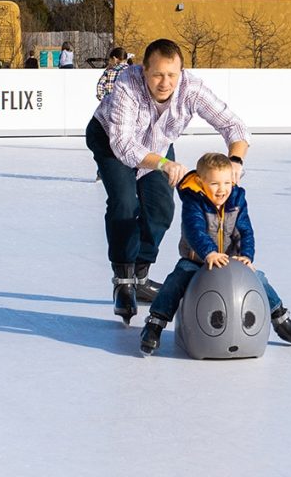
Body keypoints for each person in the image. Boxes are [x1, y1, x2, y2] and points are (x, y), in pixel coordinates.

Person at [85, 38, 250, 323]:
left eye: (172, 75)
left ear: (181, 72)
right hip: (110, 140)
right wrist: (163, 163)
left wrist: (235, 160)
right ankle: (123, 281)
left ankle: (141, 275)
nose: (165, 82)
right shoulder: (127, 83)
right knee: (125, 202)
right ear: (144, 70)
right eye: (158, 74)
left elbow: (233, 125)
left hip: (158, 145)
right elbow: (124, 144)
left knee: (162, 209)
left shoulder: (192, 89)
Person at [139, 152, 291, 355]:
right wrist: (209, 252)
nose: (222, 190)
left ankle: (281, 319)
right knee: (175, 281)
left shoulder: (237, 200)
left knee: (259, 278)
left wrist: (246, 255)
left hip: (230, 262)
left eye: (227, 183)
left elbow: (245, 231)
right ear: (201, 182)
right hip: (197, 261)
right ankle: (155, 324)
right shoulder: (194, 200)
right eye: (215, 184)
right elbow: (195, 230)